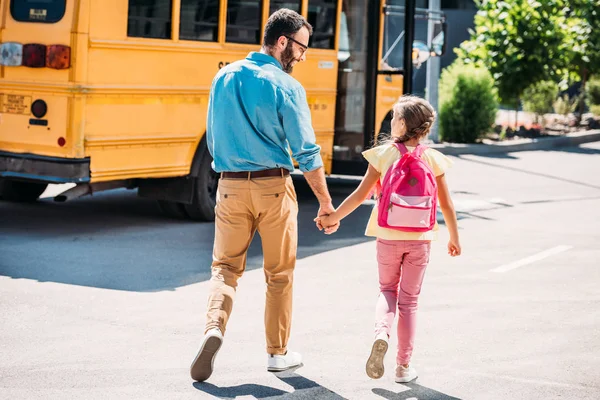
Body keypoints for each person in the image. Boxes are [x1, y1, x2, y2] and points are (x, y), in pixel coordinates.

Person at [189, 9, 339, 382]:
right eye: (301, 48)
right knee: (279, 275)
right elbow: (306, 151)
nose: (303, 57)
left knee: (224, 269)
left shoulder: (223, 77)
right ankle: (277, 355)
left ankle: (213, 329)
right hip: (274, 188)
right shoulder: (287, 87)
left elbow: (212, 137)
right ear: (283, 42)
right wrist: (325, 202)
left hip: (229, 186)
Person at [317, 95, 461, 383]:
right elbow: (446, 204)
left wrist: (333, 217)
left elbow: (360, 195)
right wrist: (453, 238)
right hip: (420, 239)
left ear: (404, 123)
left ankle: (381, 333)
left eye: (395, 116)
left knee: (387, 291)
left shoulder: (383, 154)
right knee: (409, 302)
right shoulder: (433, 158)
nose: (391, 121)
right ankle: (403, 367)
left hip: (387, 237)